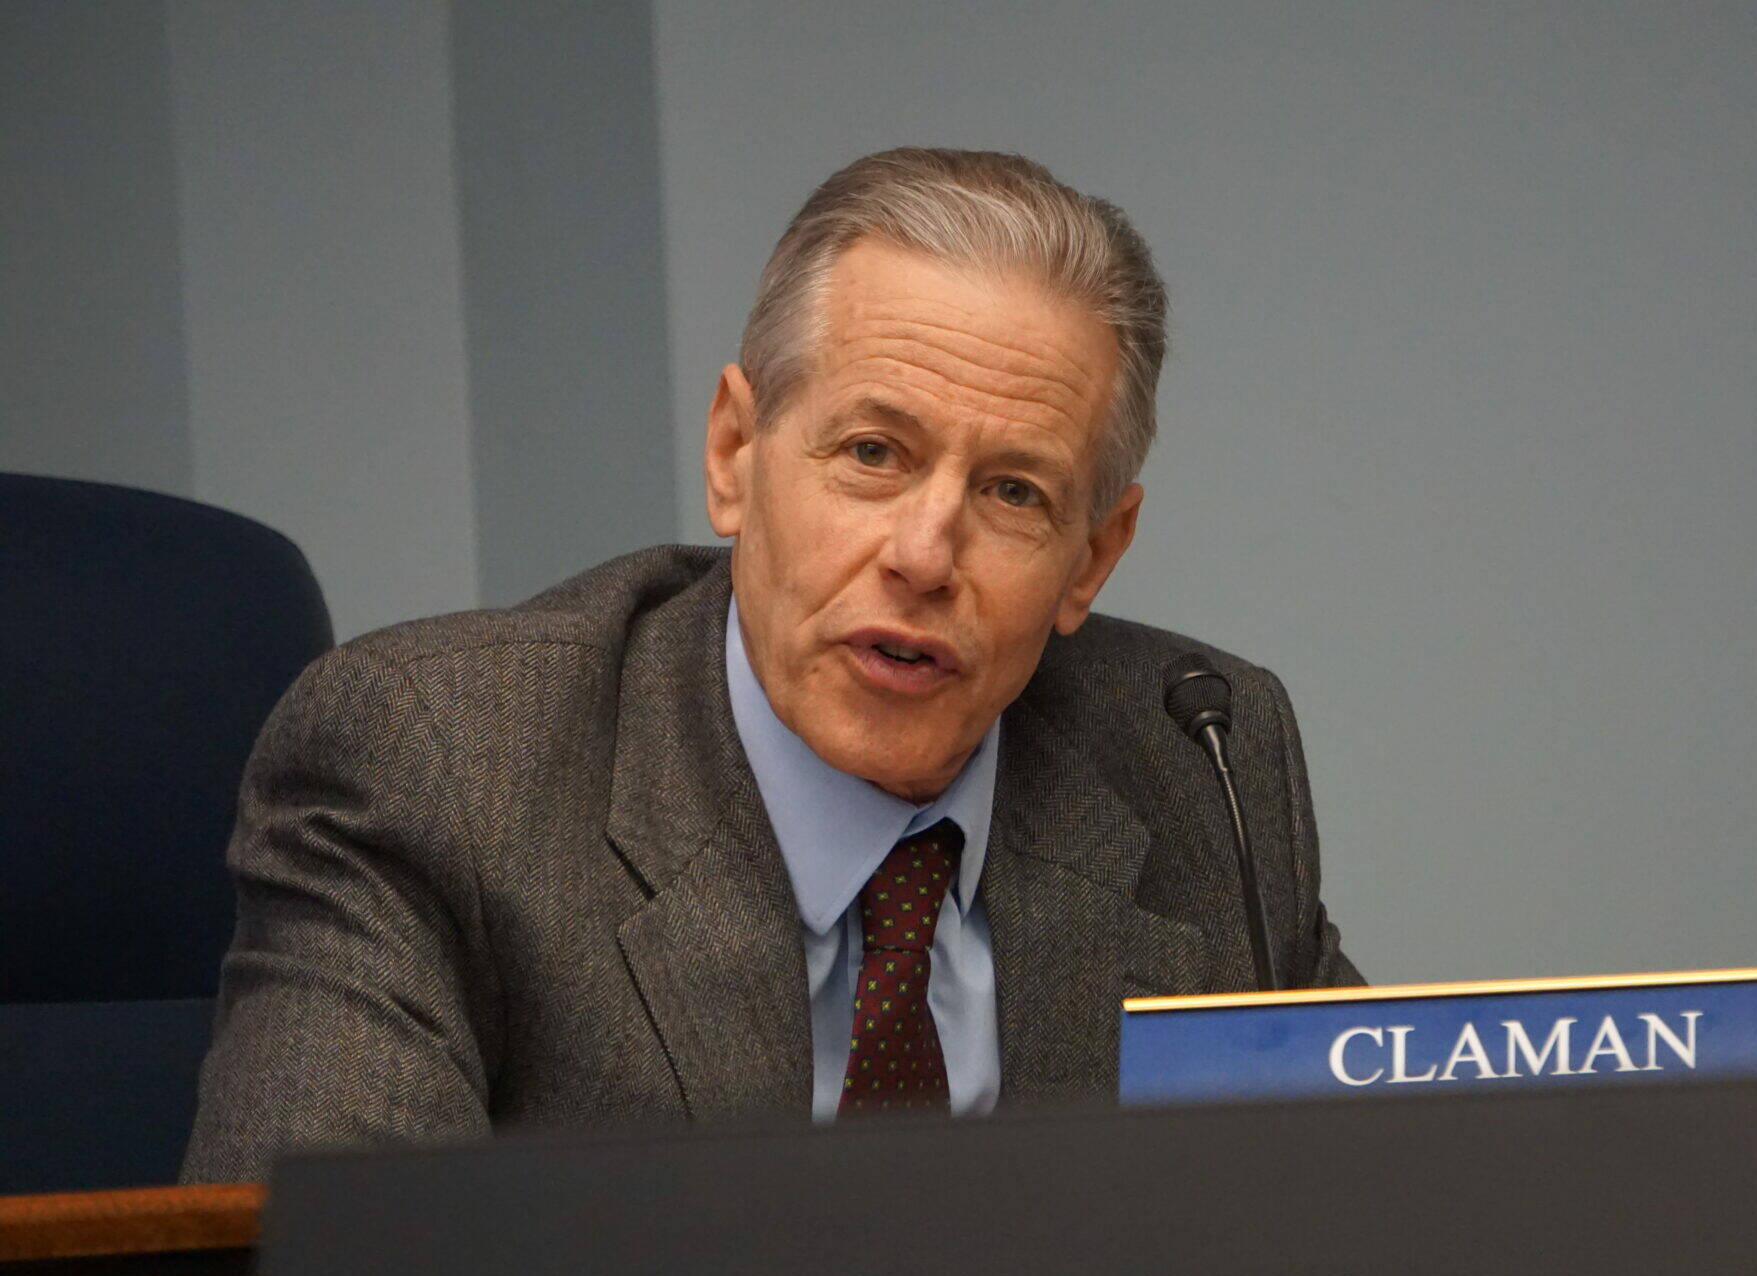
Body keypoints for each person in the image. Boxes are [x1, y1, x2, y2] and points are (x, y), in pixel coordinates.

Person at [182, 148, 1360, 1182]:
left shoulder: (1194, 752)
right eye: (870, 453)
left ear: (1090, 559)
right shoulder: (442, 767)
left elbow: (1386, 1220)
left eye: (1012, 492)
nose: (921, 553)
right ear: (736, 454)